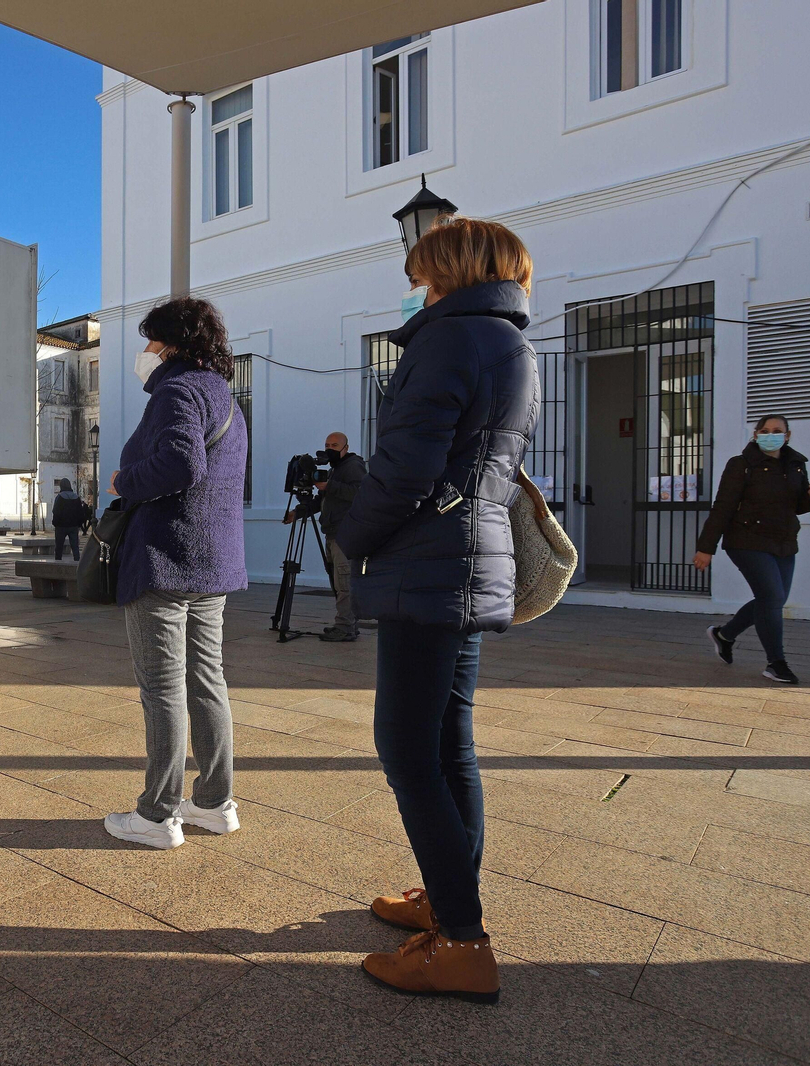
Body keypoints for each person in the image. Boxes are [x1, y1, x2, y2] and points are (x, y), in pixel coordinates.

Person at [334, 216, 539, 1003]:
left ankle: (459, 939)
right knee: (450, 744)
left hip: (429, 562)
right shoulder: (509, 341)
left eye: (421, 275)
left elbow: (405, 467)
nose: (416, 288)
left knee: (407, 749)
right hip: (469, 557)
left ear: (449, 271)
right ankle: (448, 898)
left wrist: (351, 538)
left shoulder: (449, 338)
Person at [103, 296, 248, 850]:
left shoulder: (177, 390)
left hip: (166, 556)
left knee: (163, 689)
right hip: (213, 560)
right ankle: (214, 804)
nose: (144, 351)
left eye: (149, 341)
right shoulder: (223, 395)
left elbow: (183, 463)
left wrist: (125, 481)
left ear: (171, 346)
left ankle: (157, 815)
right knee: (207, 681)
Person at [694, 415, 810, 685]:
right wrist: (706, 548)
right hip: (746, 540)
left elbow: (797, 506)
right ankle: (776, 663)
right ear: (755, 435)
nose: (770, 435)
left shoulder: (796, 464)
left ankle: (724, 635)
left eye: (777, 431)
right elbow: (722, 508)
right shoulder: (741, 465)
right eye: (764, 431)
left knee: (772, 600)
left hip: (784, 542)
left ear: (787, 436)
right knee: (771, 597)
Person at [283, 432, 367, 641]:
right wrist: (297, 513)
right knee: (338, 581)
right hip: (332, 533)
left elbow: (361, 493)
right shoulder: (334, 469)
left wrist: (330, 486)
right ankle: (347, 624)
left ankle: (345, 627)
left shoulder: (353, 466)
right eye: (327, 445)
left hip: (346, 535)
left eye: (335, 445)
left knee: (345, 582)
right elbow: (321, 501)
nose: (330, 449)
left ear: (345, 448)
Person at [50, 478, 90, 560]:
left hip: (61, 526)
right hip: (73, 525)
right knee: (75, 546)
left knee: (59, 546)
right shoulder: (76, 497)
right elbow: (80, 512)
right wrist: (79, 524)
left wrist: (55, 523)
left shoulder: (59, 497)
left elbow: (56, 511)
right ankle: (77, 562)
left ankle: (58, 562)